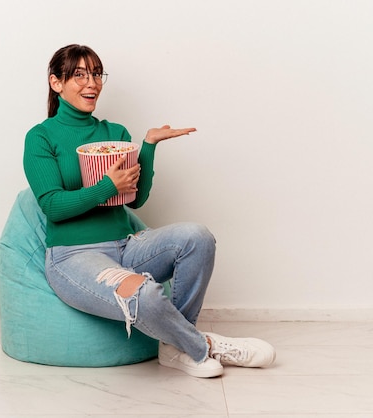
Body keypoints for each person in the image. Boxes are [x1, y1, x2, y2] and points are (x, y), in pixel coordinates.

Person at [23, 44, 275, 378]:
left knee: (197, 237)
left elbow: (135, 200)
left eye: (96, 74)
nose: (92, 83)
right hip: (74, 257)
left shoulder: (115, 134)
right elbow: (53, 207)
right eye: (80, 75)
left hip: (126, 247)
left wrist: (149, 146)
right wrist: (106, 187)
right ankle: (202, 346)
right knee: (146, 295)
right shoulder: (41, 137)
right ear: (56, 83)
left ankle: (175, 349)